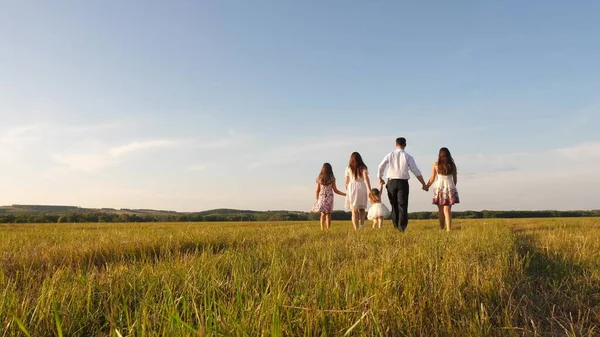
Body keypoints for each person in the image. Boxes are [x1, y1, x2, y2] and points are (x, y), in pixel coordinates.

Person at [377, 137, 427, 231]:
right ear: (405, 145)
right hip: (403, 183)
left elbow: (381, 166)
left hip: (391, 182)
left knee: (394, 205)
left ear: (396, 144)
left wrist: (380, 177)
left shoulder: (389, 155)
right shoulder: (408, 156)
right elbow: (415, 170)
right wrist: (423, 184)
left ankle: (396, 226)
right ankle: (402, 228)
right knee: (402, 206)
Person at [426, 147, 460, 231]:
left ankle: (442, 229)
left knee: (441, 210)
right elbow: (455, 179)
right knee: (447, 210)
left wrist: (426, 186)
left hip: (439, 187)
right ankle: (448, 230)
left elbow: (432, 178)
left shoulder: (436, 164)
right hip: (450, 186)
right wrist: (453, 187)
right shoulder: (452, 165)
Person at [312, 163, 346, 230]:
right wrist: (345, 194)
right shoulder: (332, 178)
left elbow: (317, 190)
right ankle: (328, 229)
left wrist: (317, 200)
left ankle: (322, 229)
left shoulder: (319, 178)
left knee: (322, 214)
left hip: (321, 198)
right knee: (328, 214)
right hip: (329, 197)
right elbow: (335, 190)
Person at [345, 152, 371, 230]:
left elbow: (346, 181)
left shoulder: (348, 167)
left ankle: (356, 229)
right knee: (362, 209)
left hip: (352, 187)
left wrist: (348, 189)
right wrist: (369, 189)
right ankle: (362, 226)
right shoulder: (363, 167)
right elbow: (366, 178)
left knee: (354, 210)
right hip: (361, 186)